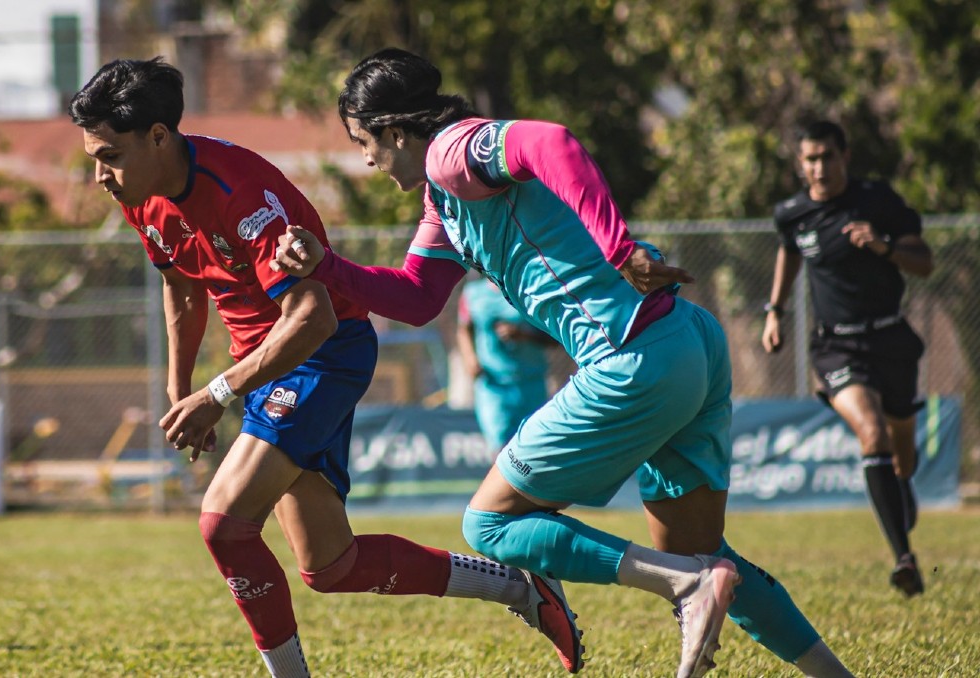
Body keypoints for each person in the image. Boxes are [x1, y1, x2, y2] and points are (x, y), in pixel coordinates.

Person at [273, 47, 854, 678]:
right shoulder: (444, 199)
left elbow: (551, 142)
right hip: (687, 340)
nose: (367, 160)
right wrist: (326, 266)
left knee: (489, 526)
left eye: (364, 142)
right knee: (701, 549)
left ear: (393, 131)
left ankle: (686, 585)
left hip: (632, 356)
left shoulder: (450, 151)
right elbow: (416, 297)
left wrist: (619, 247)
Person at [68, 56, 587, 677]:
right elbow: (180, 287)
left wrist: (217, 394)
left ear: (158, 136)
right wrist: (183, 393)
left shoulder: (240, 193)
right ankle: (519, 588)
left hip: (321, 354)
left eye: (109, 156)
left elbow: (311, 317)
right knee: (331, 566)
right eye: (94, 158)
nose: (100, 175)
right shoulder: (143, 193)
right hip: (267, 366)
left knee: (224, 525)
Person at [763, 120, 934, 598]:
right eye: (810, 159)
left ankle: (901, 483)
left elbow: (924, 262)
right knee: (872, 432)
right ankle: (903, 558)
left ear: (845, 156)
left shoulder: (877, 200)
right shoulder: (792, 214)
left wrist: (885, 247)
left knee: (902, 449)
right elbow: (789, 253)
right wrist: (775, 311)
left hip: (891, 339)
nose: (819, 167)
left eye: (827, 157)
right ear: (800, 163)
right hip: (835, 346)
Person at [456, 278, 552, 453]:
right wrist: (470, 359)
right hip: (493, 384)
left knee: (535, 447)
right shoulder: (473, 294)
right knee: (500, 447)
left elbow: (554, 339)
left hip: (531, 383)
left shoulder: (530, 289)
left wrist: (523, 334)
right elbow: (464, 329)